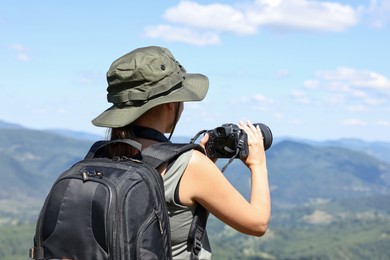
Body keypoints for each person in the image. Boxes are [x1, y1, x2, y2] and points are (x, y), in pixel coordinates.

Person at [92, 46, 271, 259]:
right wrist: (257, 164)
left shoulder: (99, 156)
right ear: (170, 104)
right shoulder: (189, 165)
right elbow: (257, 224)